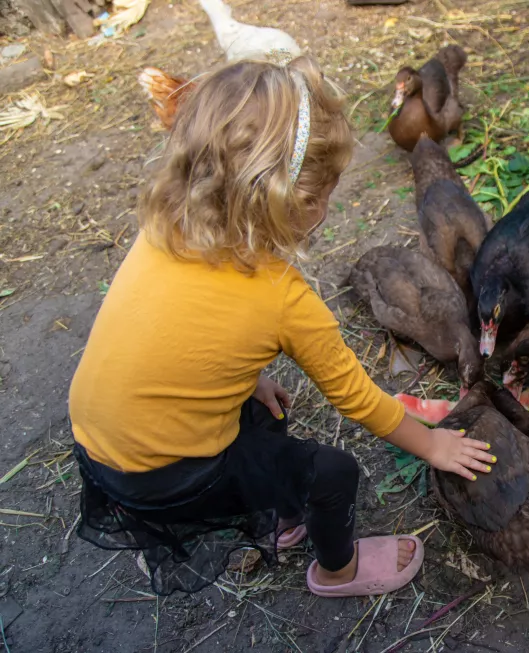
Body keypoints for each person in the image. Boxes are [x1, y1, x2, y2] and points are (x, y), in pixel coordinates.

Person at [68, 56, 495, 597]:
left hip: (97, 441)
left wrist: (245, 380)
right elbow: (359, 401)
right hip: (166, 474)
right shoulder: (285, 299)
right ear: (285, 203)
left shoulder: (163, 230)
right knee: (334, 473)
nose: (326, 208)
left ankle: (277, 517)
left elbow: (178, 337)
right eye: (322, 197)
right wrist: (432, 447)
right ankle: (338, 572)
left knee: (264, 409)